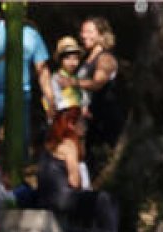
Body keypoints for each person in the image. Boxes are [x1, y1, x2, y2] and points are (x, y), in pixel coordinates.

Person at [35, 107, 119, 232]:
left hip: (45, 198)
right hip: (63, 198)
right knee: (104, 199)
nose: (85, 126)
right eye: (82, 122)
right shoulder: (69, 145)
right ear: (71, 125)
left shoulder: (50, 145)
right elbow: (75, 181)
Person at [0, 2, 55, 155]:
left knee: (19, 146)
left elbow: (42, 69)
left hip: (20, 97)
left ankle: (14, 177)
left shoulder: (32, 34)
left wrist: (50, 96)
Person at [62, 16, 123, 180]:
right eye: (82, 32)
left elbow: (97, 83)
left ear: (101, 35)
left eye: (89, 31)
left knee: (101, 159)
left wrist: (72, 82)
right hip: (88, 119)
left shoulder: (105, 58)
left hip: (104, 118)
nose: (84, 35)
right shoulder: (86, 58)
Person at [49, 35, 86, 116]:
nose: (72, 62)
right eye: (67, 58)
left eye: (76, 58)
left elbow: (82, 97)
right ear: (60, 60)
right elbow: (57, 101)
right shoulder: (56, 78)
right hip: (64, 119)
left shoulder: (78, 77)